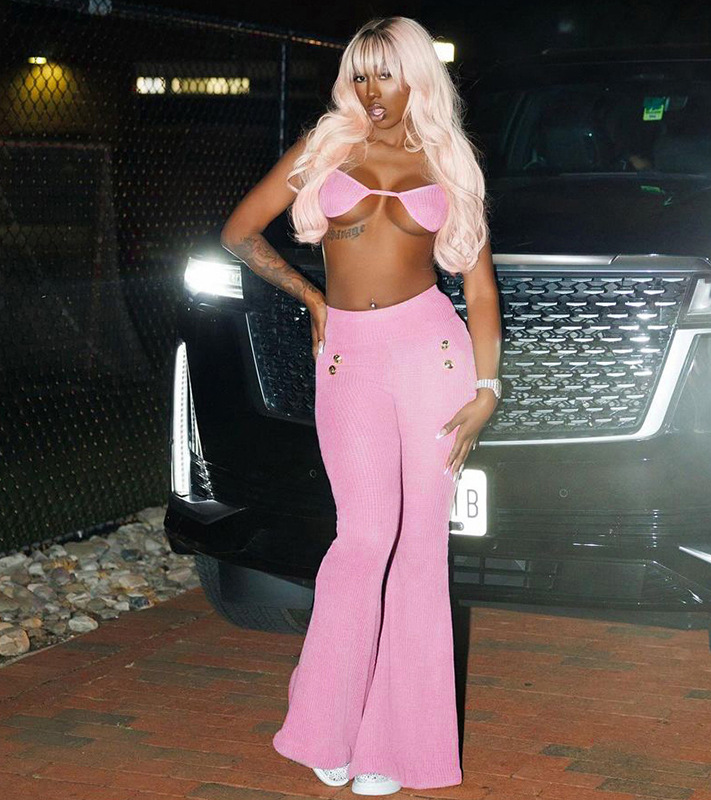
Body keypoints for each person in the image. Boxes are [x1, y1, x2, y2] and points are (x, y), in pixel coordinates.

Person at [220, 15, 502, 796]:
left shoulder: (449, 161)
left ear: (417, 77)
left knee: (420, 550)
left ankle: (396, 748)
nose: (372, 90)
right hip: (349, 357)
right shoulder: (327, 148)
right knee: (363, 538)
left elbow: (480, 292)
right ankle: (326, 725)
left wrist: (487, 390)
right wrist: (311, 295)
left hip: (433, 355)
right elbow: (239, 232)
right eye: (361, 74)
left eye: (387, 73)